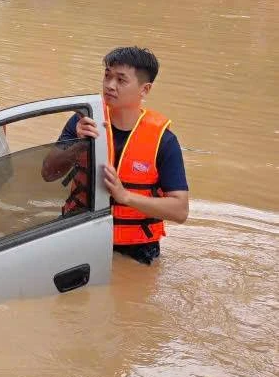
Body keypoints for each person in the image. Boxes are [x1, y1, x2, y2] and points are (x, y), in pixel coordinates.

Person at [41, 46, 188, 266]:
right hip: (80, 235)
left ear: (144, 90)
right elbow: (48, 173)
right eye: (107, 76)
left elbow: (180, 210)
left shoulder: (164, 141)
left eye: (121, 80)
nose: (110, 85)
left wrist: (125, 197)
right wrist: (79, 145)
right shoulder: (83, 122)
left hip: (137, 252)